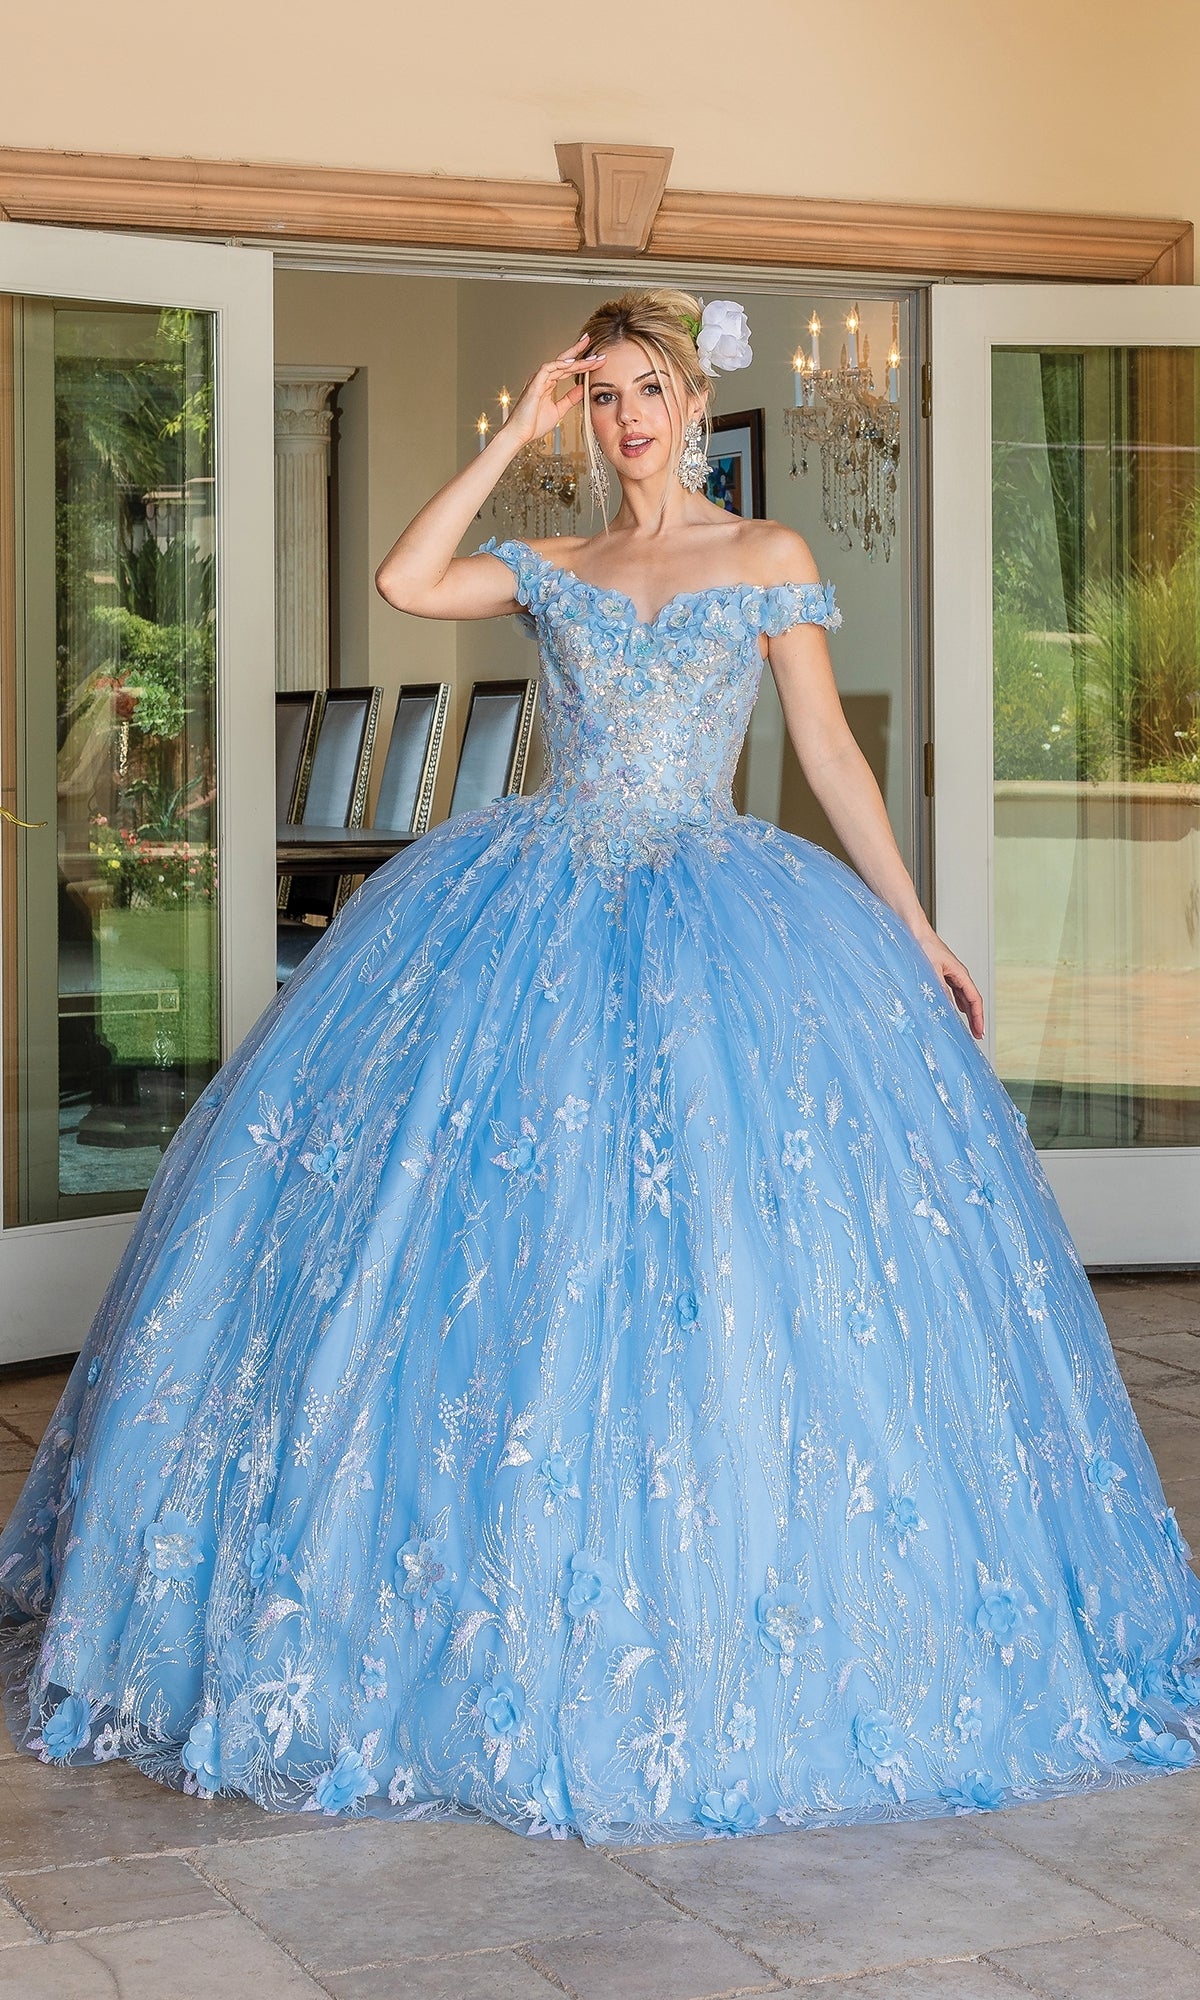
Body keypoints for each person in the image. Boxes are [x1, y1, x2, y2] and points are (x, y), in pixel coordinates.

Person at [1, 289, 1196, 1850]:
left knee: (725, 1238)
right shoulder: (552, 561)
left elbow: (827, 752)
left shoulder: (763, 559)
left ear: (696, 405)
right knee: (510, 1236)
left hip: (721, 911)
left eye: (652, 389)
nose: (631, 417)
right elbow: (401, 574)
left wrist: (915, 927)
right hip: (530, 908)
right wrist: (513, 425)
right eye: (606, 394)